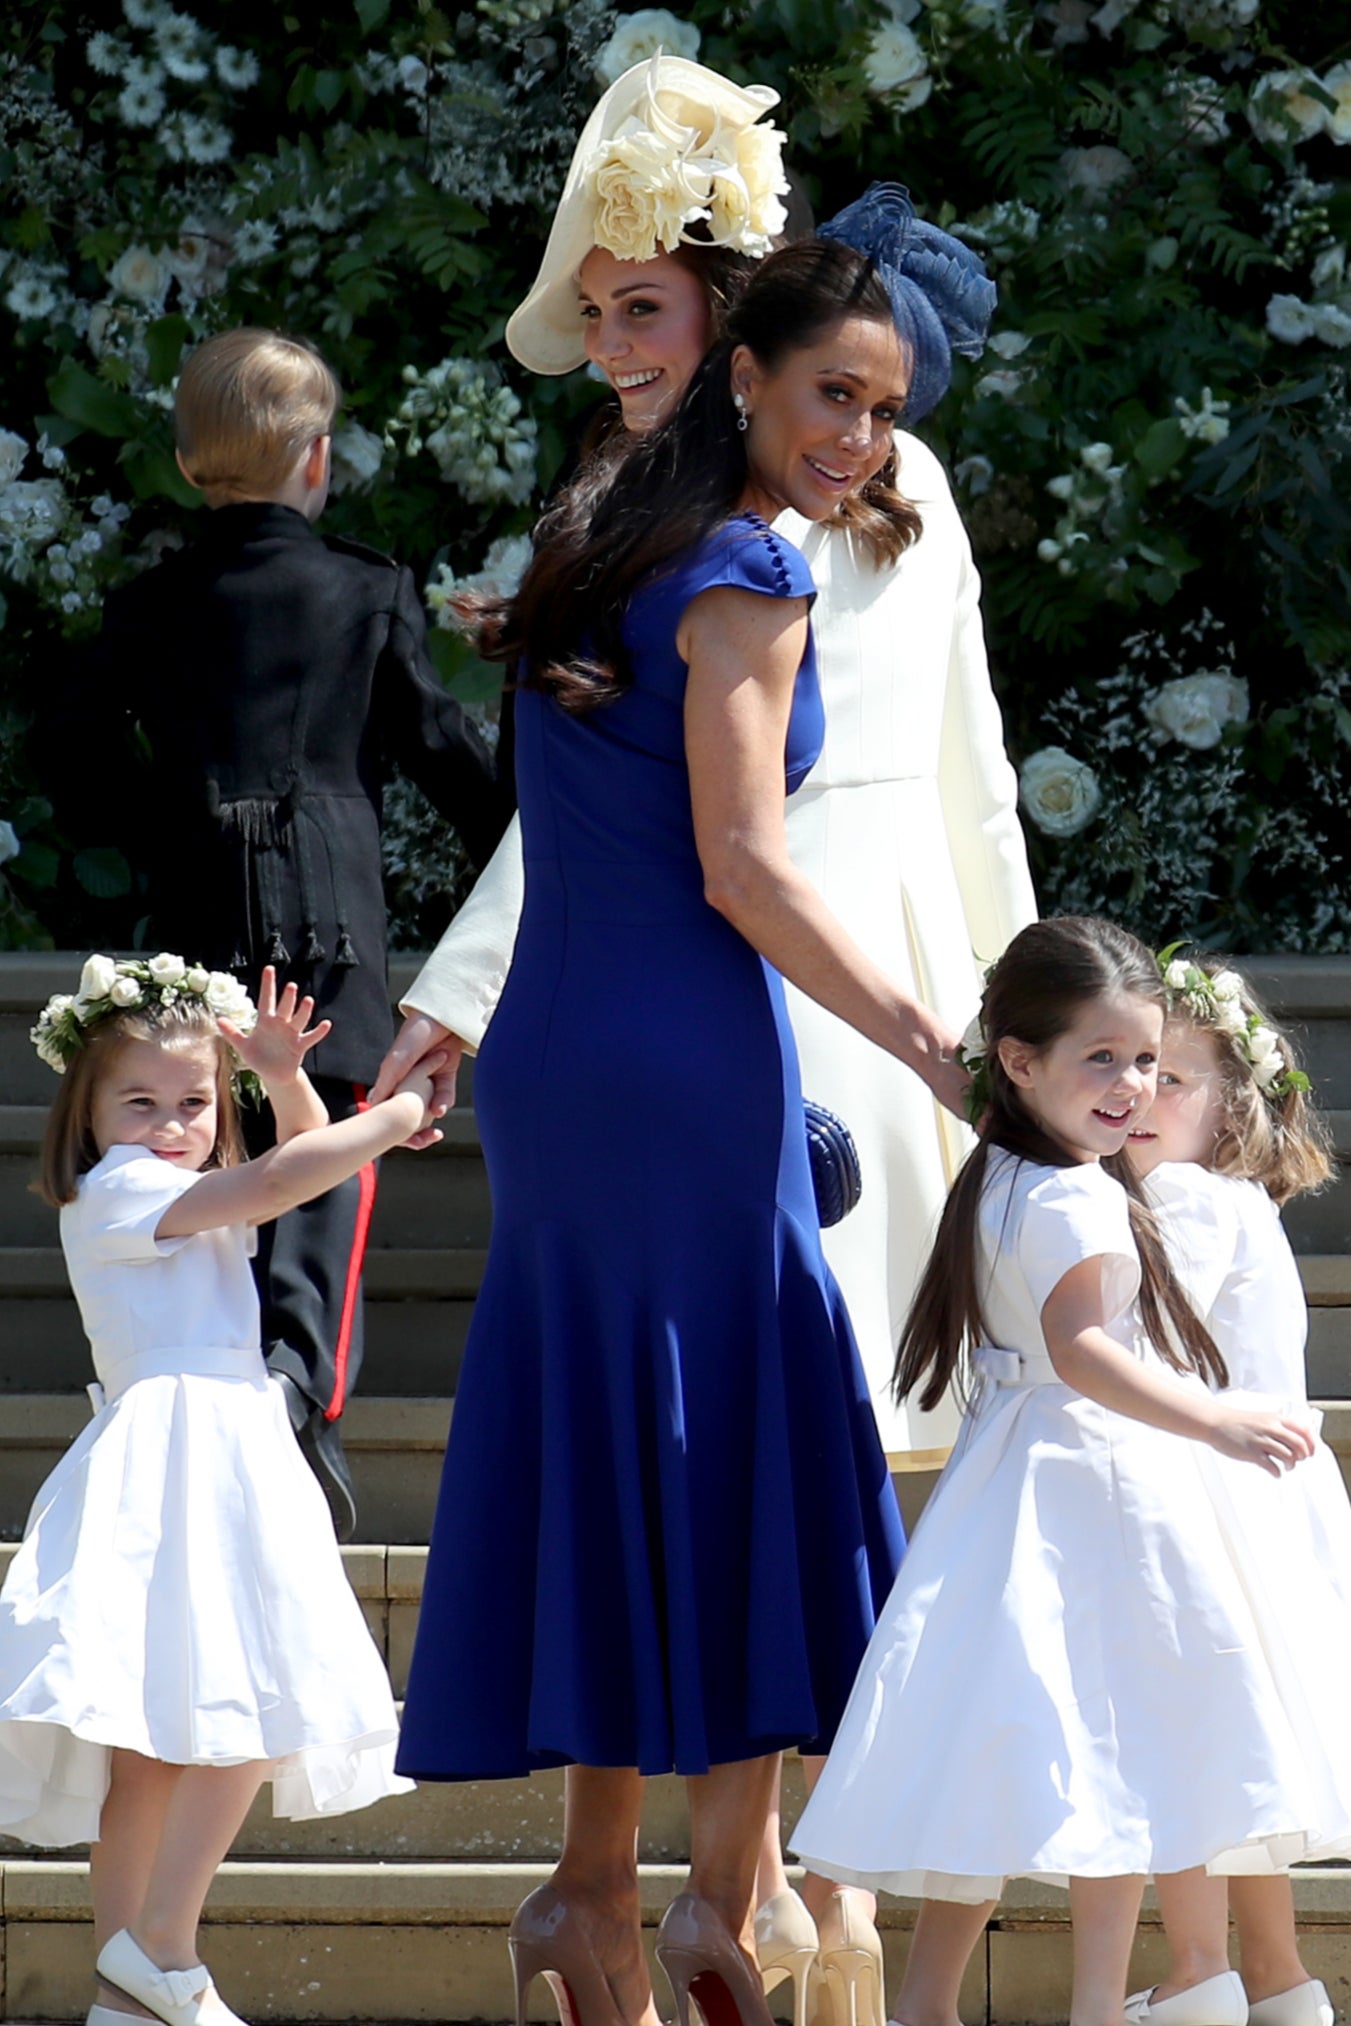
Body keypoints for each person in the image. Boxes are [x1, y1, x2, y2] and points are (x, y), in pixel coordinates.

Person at [373, 74, 1034, 2019]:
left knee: (628, 1422)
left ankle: (607, 1887)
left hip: (580, 1053)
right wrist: (942, 1043)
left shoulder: (596, 519)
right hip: (703, 1033)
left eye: (878, 402)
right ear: (764, 366)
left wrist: (459, 1005)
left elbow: (639, 814)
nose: (855, 429)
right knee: (746, 1437)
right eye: (832, 389)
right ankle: (711, 1906)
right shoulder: (735, 560)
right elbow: (743, 863)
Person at [790, 915, 1346, 2026]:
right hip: (1093, 1488)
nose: (1133, 1085)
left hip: (1009, 1481)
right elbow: (1086, 1352)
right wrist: (1218, 1419)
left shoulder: (1000, 1167)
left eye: (1146, 1061)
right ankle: (1103, 2002)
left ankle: (935, 2005)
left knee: (1007, 1748)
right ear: (1017, 1060)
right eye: (1104, 1058)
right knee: (1113, 1752)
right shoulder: (1079, 1192)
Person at [47, 328, 514, 1537]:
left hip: (198, 918)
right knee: (320, 1176)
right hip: (333, 925)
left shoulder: (149, 601)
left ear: (189, 461)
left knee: (201, 1154)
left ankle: (217, 1399)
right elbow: (446, 762)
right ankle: (299, 1397)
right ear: (314, 458)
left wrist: (171, 823)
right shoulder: (366, 587)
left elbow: (77, 763)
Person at [0, 955, 444, 2026]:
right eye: (139, 1102)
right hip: (183, 1451)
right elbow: (288, 1181)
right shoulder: (121, 1191)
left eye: (194, 1102)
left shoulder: (179, 1185)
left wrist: (286, 1076)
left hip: (211, 1444)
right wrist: (391, 1115)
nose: (169, 1122)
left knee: (151, 1749)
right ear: (87, 1110)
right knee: (252, 1702)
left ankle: (126, 1988)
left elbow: (294, 1161)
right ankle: (162, 1946)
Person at [1120, 954, 1345, 2026]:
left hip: (1202, 1505)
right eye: (1134, 1068)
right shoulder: (1239, 1202)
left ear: (1230, 1107)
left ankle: (1195, 1970)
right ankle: (1277, 1977)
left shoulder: (1175, 1196)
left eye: (1174, 1078)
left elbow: (1137, 1342)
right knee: (1240, 1758)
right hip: (1264, 1506)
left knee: (1188, 1746)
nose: (1141, 1094)